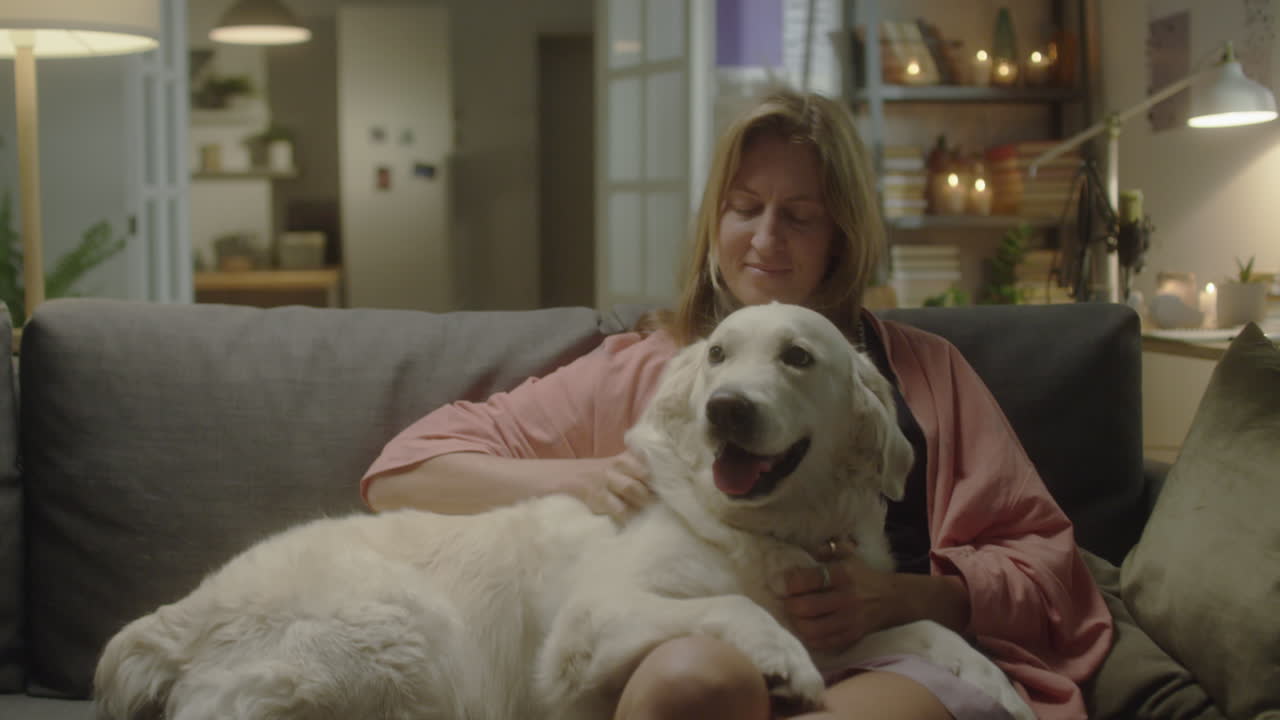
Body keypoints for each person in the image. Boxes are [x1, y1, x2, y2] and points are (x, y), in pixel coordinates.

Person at [361, 88, 1112, 720]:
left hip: (880, 659)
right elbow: (405, 470)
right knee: (695, 678)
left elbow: (1049, 570)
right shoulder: (652, 370)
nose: (765, 239)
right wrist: (579, 478)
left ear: (842, 236)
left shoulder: (924, 372)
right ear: (715, 223)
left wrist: (898, 599)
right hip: (700, 662)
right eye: (744, 207)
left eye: (800, 215)